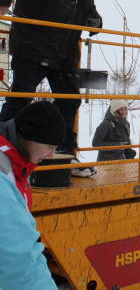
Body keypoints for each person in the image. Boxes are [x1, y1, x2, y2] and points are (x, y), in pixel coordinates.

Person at [0, 0, 103, 155]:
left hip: (65, 53)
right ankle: (4, 151)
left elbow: (88, 8)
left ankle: (63, 154)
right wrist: (3, 0)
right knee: (20, 99)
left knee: (69, 100)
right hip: (33, 48)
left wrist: (95, 21)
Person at [0, 100, 65, 289]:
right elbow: (19, 259)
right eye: (50, 147)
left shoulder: (17, 162)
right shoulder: (4, 172)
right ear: (30, 137)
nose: (52, 155)